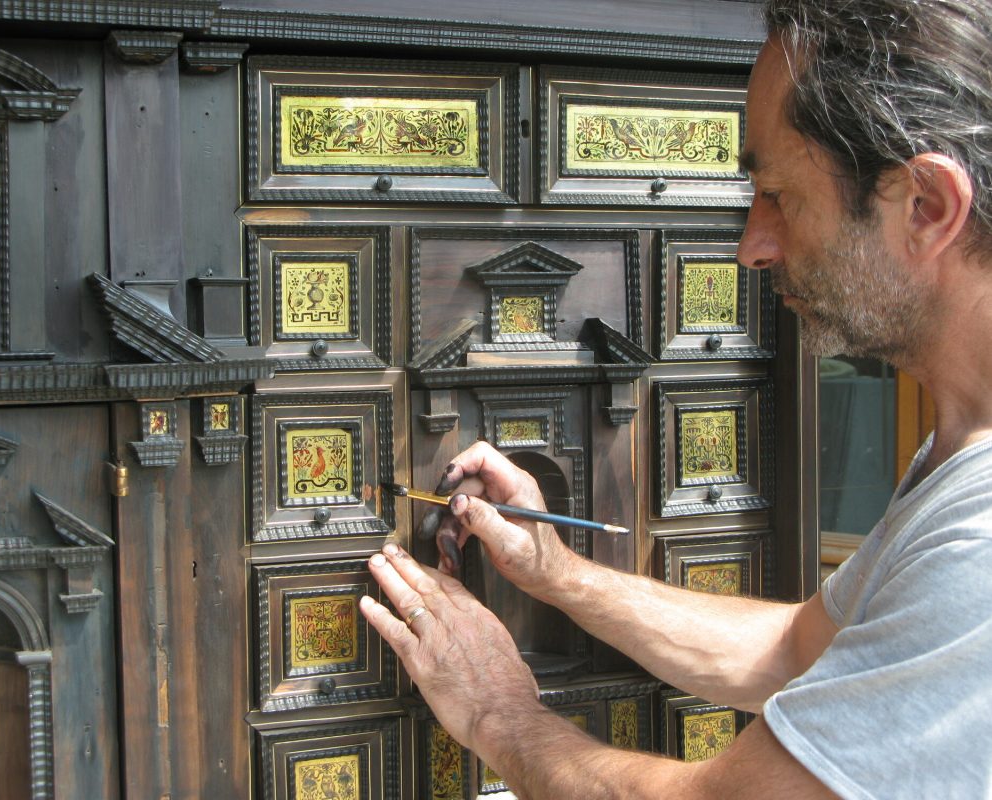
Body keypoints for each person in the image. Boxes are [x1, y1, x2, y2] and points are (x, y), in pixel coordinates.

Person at [358, 0, 992, 796]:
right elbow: (794, 652)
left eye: (779, 197)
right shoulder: (957, 456)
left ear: (926, 207)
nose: (751, 246)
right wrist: (550, 568)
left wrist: (495, 711)